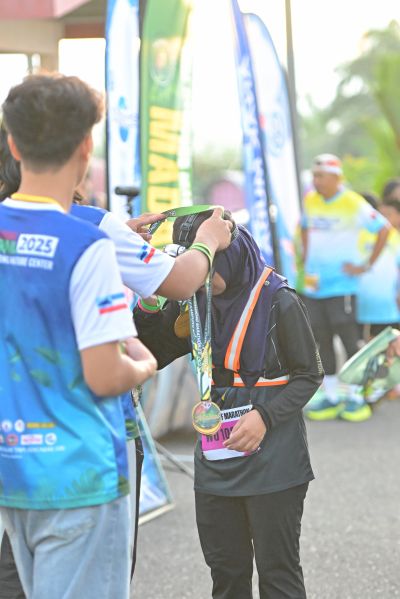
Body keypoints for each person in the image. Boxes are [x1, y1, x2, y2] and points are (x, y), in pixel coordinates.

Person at [0, 115, 233, 596]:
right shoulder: (92, 231)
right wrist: (209, 241)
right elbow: (181, 281)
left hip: (14, 446)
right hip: (87, 451)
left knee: (19, 570)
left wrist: (120, 236)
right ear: (83, 150)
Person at [0, 73, 160, 599]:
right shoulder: (87, 245)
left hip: (14, 472)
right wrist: (144, 362)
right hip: (80, 475)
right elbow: (106, 375)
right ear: (86, 146)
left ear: (14, 144)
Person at [133, 210, 324, 599]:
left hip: (274, 458)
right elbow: (152, 353)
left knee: (278, 573)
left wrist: (265, 417)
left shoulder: (279, 299)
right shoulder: (196, 300)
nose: (201, 274)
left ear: (232, 256)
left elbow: (309, 374)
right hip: (216, 459)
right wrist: (149, 301)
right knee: (226, 573)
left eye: (208, 263)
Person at [301, 153, 390, 422]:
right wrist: (307, 257)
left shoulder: (352, 202)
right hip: (315, 287)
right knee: (322, 339)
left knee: (349, 339)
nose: (316, 181)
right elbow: (304, 227)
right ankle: (331, 396)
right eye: (314, 176)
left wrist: (365, 265)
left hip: (342, 287)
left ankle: (356, 396)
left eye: (320, 176)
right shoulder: (310, 200)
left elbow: (383, 228)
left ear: (336, 178)